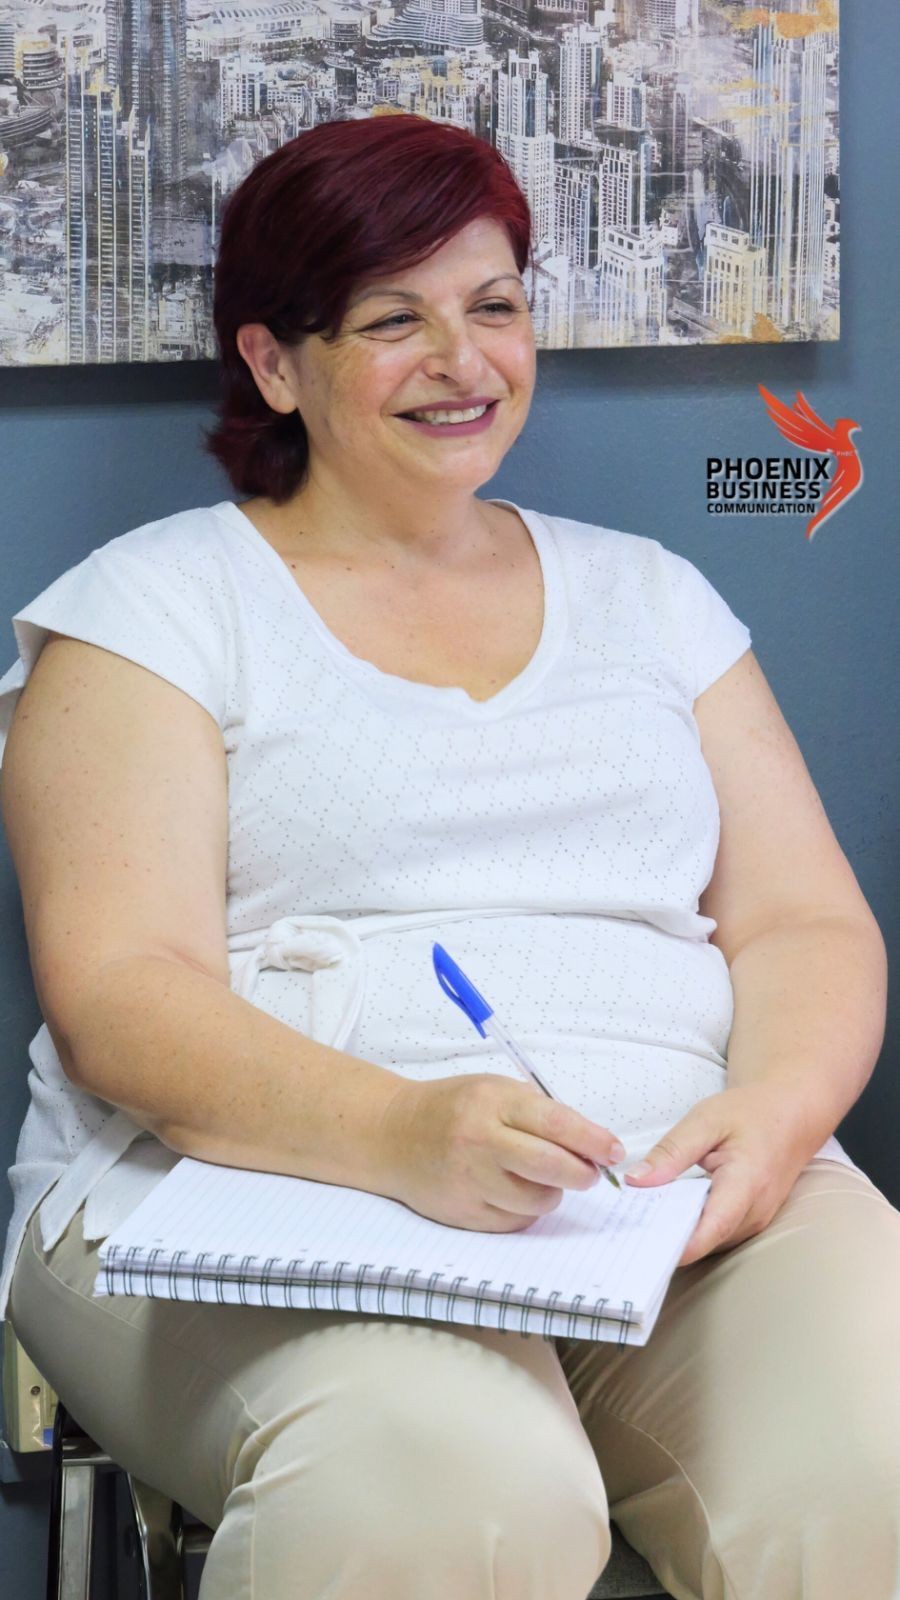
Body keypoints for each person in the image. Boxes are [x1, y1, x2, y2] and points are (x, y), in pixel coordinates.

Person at [0, 113, 897, 1600]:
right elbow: (119, 993)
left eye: (493, 307)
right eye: (392, 321)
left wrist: (779, 1116)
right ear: (278, 364)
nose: (464, 360)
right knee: (451, 1494)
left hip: (659, 1197)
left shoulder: (654, 601)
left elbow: (806, 921)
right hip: (261, 1196)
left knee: (872, 1459)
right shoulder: (150, 613)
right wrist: (403, 1137)